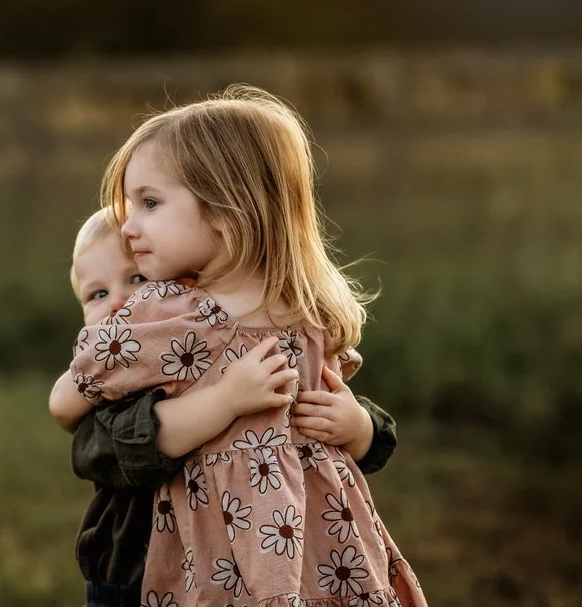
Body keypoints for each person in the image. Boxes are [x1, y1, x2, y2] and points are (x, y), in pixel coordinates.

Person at [49, 87, 425, 606]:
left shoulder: (309, 313)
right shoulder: (168, 317)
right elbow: (77, 415)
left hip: (318, 562)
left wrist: (359, 427)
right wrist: (225, 401)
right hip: (192, 564)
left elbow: (336, 413)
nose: (129, 226)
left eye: (150, 203)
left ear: (227, 208)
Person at [57, 208, 400, 607]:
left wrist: (362, 428)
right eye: (96, 294)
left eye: (138, 281)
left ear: (179, 287)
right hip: (134, 572)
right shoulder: (110, 383)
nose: (117, 303)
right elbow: (92, 449)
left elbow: (314, 403)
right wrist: (220, 404)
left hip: (254, 569)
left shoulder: (207, 343)